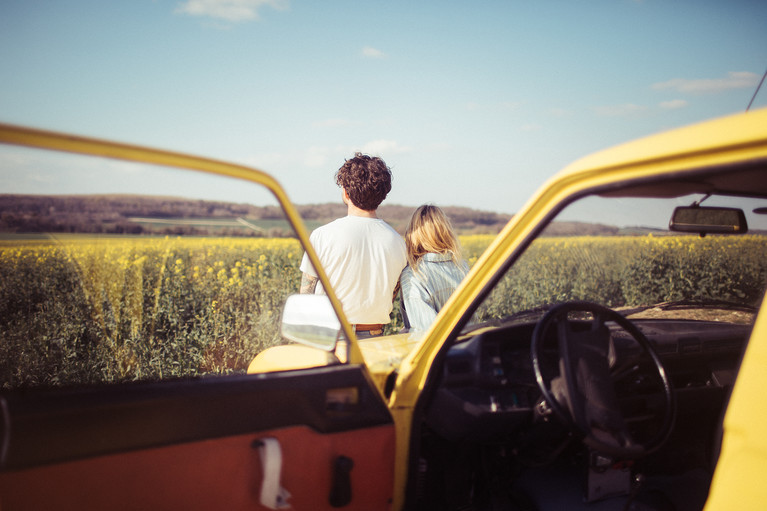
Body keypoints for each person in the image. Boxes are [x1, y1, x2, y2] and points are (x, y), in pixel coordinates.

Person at [299, 153, 407, 338]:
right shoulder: (398, 242)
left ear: (346, 193)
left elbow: (306, 293)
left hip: (328, 333)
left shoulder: (322, 235)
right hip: (374, 335)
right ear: (383, 195)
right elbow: (392, 293)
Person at [399, 204, 469, 332]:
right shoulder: (463, 267)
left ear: (413, 235)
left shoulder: (414, 274)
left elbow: (425, 332)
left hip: (445, 350)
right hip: (471, 344)